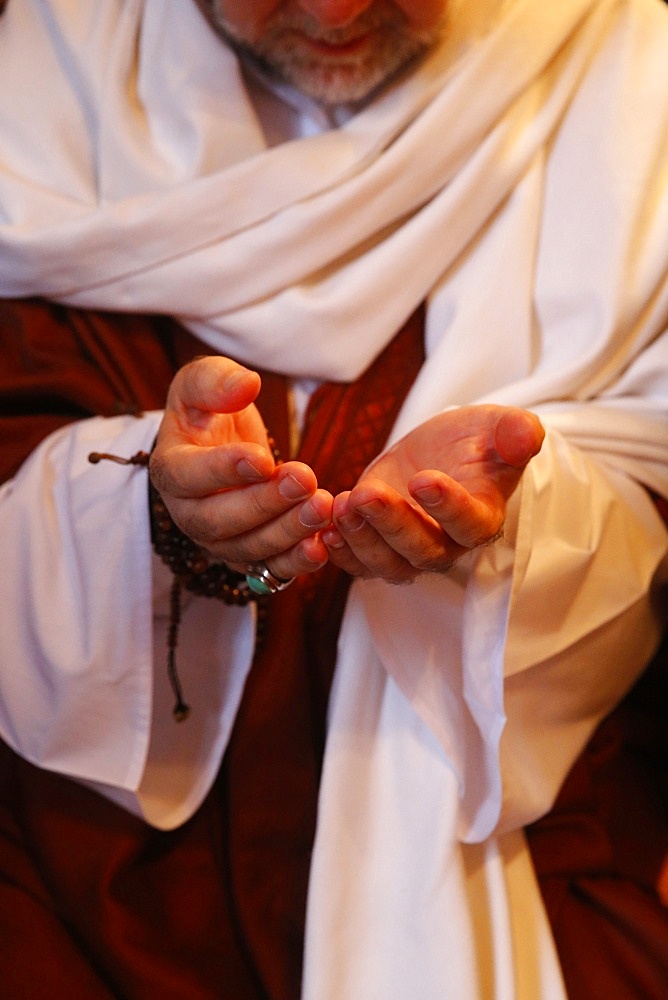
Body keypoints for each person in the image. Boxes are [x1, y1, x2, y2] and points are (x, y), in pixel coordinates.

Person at [0, 0, 666, 997]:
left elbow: (646, 469)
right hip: (79, 884)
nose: (334, 10)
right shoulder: (43, 88)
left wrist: (521, 518)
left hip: (532, 865)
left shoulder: (628, 77)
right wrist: (146, 509)